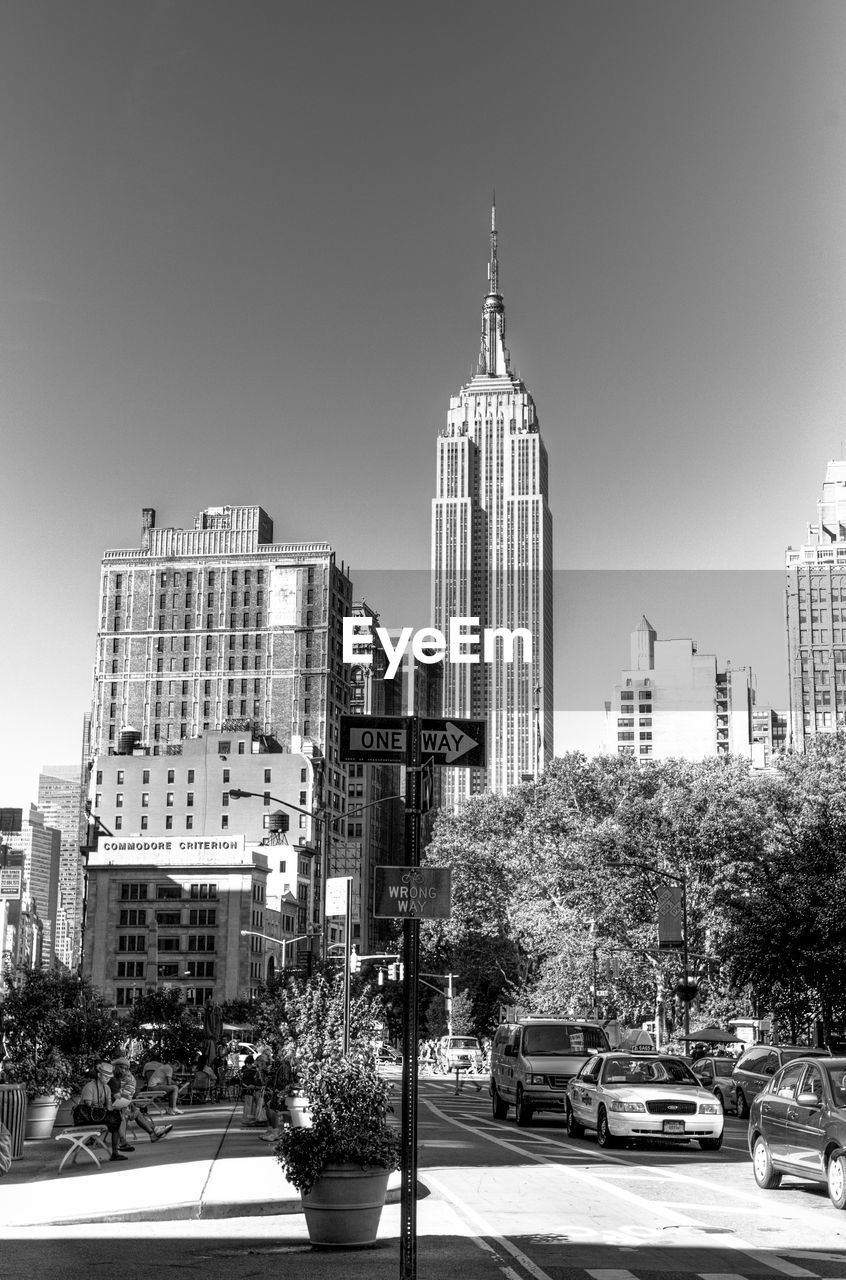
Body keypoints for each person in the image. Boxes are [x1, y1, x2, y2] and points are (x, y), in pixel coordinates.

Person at [110, 1058, 173, 1148]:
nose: (123, 1070)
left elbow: (124, 1097)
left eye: (125, 1068)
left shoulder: (127, 1078)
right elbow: (116, 1096)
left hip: (117, 1105)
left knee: (134, 1111)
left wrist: (130, 1104)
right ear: (115, 1066)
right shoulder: (110, 1078)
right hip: (109, 1108)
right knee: (126, 1114)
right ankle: (124, 1142)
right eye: (121, 1067)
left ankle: (153, 1132)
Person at [80, 1061, 129, 1162]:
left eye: (109, 1077)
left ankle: (115, 1152)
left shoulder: (107, 1088)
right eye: (105, 1077)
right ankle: (117, 1150)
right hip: (86, 1118)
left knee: (117, 1118)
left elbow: (109, 1105)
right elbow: (88, 1107)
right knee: (115, 1120)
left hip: (98, 1116)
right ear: (99, 1075)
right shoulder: (90, 1087)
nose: (108, 1079)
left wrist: (117, 1107)